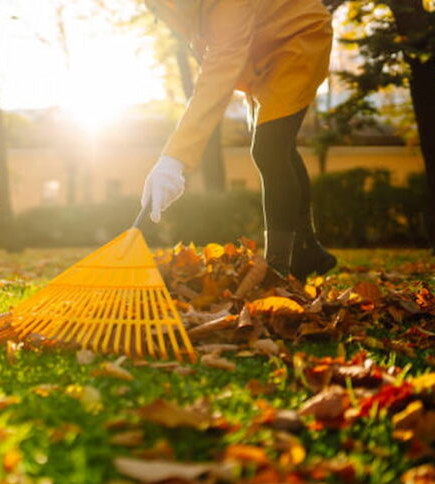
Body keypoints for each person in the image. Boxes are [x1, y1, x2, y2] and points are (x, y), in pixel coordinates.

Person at [141, 0, 337, 281]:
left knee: (269, 149)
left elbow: (220, 65)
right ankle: (305, 248)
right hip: (263, 50)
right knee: (278, 148)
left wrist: (174, 159)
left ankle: (278, 268)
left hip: (299, 36)